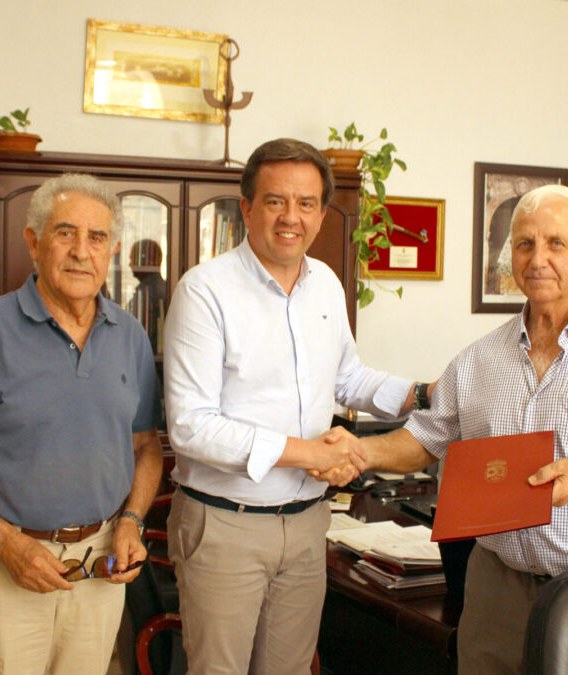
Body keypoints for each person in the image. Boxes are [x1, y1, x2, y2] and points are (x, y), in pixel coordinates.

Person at [322, 184, 568, 673]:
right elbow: (423, 439)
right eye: (524, 243)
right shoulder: (479, 359)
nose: (537, 258)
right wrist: (360, 451)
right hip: (498, 589)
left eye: (556, 243)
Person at [161, 138, 432, 673]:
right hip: (225, 526)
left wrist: (425, 394)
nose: (292, 218)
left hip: (309, 523)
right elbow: (191, 428)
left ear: (322, 211)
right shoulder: (205, 291)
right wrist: (309, 452)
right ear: (246, 207)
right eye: (276, 201)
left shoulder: (326, 284)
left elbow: (348, 377)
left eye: (306, 203)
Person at [0, 173, 163, 673]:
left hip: (99, 567)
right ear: (34, 243)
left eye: (97, 238)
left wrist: (131, 520)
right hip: (4, 565)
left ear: (112, 251)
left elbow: (145, 447)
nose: (80, 252)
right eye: (65, 233)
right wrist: (7, 543)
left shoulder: (130, 334)